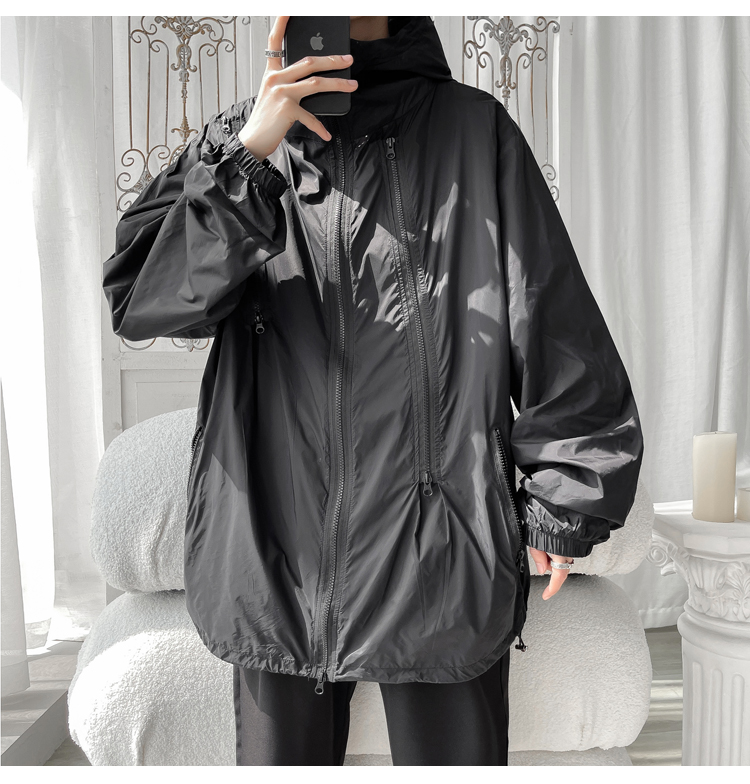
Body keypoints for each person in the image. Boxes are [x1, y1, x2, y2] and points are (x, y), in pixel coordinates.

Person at [102, 15, 644, 766]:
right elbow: (144, 301)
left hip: (441, 550)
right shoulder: (243, 143)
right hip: (271, 550)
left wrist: (565, 502)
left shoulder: (473, 132)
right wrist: (249, 158)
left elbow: (550, 315)